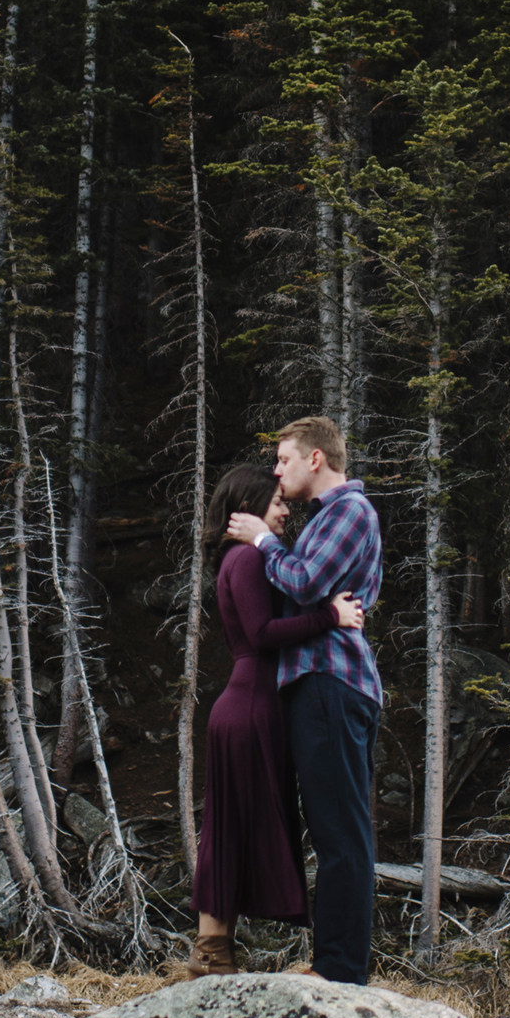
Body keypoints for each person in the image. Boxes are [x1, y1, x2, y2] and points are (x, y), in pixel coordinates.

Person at [190, 463, 366, 977]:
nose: (286, 509)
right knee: (230, 825)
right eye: (276, 502)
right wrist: (329, 618)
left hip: (246, 703)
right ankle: (210, 952)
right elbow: (263, 633)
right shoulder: (245, 559)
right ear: (249, 505)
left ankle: (213, 951)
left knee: (231, 824)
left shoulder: (241, 557)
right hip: (251, 704)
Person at [225, 415, 383, 985]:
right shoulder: (327, 518)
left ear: (315, 459)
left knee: (341, 832)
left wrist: (264, 541)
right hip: (320, 684)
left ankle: (339, 970)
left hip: (331, 683)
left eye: (284, 458)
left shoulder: (349, 512)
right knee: (334, 828)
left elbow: (308, 582)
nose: (277, 469)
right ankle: (335, 962)